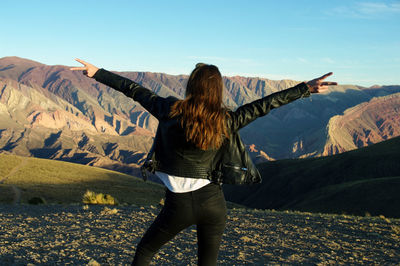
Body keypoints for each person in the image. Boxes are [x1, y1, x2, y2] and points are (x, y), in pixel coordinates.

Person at [70, 59, 337, 265]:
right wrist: (305, 88)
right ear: (218, 90)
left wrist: (98, 73)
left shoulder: (169, 109)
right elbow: (264, 105)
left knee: (145, 251)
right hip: (214, 205)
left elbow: (134, 90)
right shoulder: (227, 120)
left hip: (179, 206)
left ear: (192, 86)